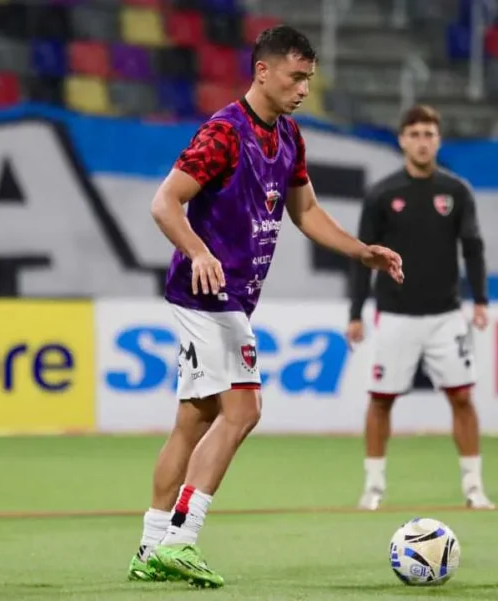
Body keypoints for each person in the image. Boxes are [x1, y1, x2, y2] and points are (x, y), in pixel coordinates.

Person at [127, 25, 404, 589]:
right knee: (245, 411)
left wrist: (360, 251)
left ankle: (150, 546)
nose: (304, 88)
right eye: (296, 76)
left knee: (195, 418)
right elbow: (164, 203)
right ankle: (182, 538)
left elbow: (305, 213)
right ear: (263, 71)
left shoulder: (290, 137)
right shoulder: (224, 133)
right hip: (211, 297)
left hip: (228, 299)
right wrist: (198, 251)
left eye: (309, 78)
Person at [346, 104, 495, 512]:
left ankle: (473, 488)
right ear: (402, 140)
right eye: (415, 134)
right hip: (394, 315)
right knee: (381, 400)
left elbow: (473, 248)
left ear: (438, 140)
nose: (422, 141)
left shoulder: (456, 191)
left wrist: (480, 300)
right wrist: (355, 313)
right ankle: (373, 488)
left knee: (462, 398)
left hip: (447, 316)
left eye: (429, 134)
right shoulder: (382, 194)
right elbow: (363, 256)